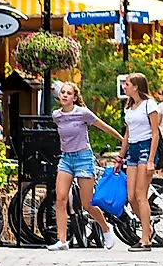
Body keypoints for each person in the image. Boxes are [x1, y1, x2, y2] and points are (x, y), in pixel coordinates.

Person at [47, 81, 122, 252]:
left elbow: (104, 126)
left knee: (87, 203)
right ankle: (62, 240)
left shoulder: (83, 113)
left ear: (74, 97)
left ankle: (106, 229)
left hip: (83, 158)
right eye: (63, 92)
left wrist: (123, 141)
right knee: (60, 198)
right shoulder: (56, 115)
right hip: (66, 158)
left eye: (69, 93)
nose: (65, 95)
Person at [117, 74, 163, 252]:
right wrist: (120, 157)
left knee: (140, 194)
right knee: (131, 197)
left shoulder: (149, 105)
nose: (124, 86)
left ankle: (145, 239)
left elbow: (155, 133)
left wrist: (152, 159)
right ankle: (148, 228)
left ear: (136, 86)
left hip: (146, 148)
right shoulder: (129, 107)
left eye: (127, 84)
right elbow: (127, 134)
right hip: (133, 150)